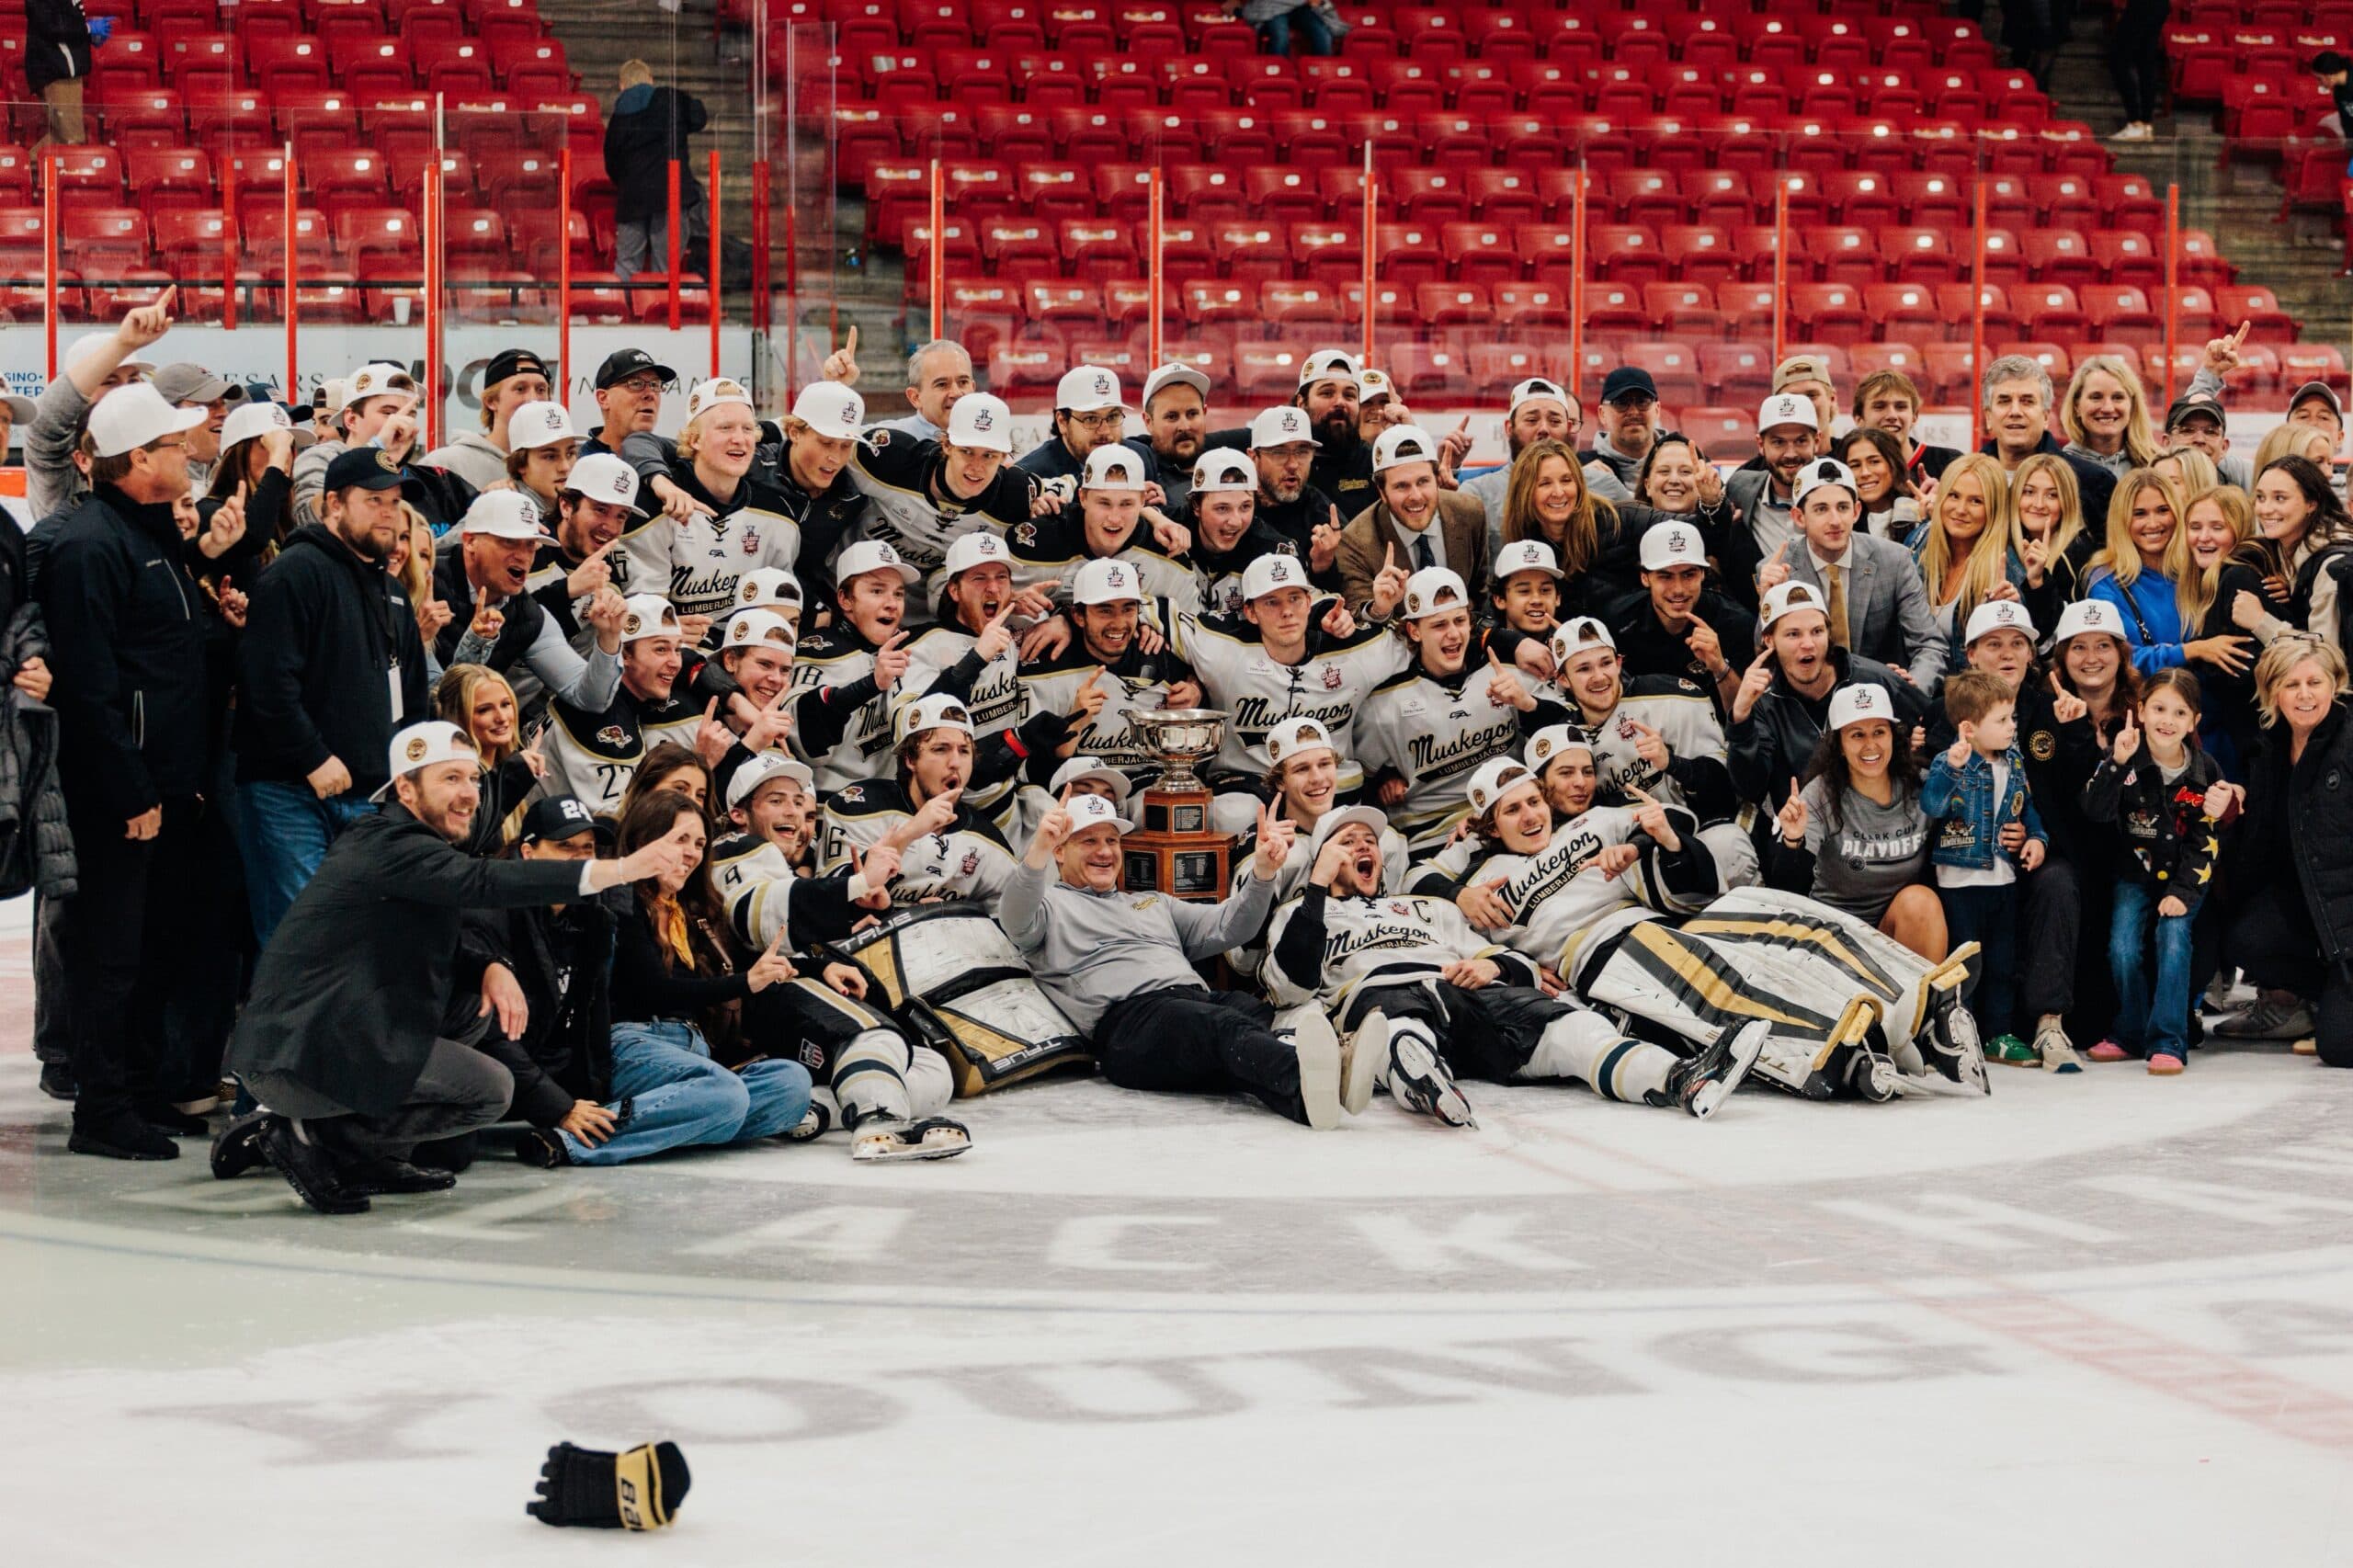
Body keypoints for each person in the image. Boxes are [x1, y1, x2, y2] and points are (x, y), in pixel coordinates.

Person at [217, 722, 699, 1211]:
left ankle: (362, 1152)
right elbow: (486, 879)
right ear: (405, 788)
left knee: (475, 1014)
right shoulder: (390, 846)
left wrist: (487, 965)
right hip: (295, 1060)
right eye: (450, 779)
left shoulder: (404, 844)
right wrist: (619, 870)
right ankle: (307, 1134)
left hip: (328, 1040)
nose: (469, 793)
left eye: (473, 779)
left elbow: (444, 925)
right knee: (490, 1091)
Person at [1270, 787, 1765, 1124]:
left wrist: (1491, 966)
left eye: (1369, 841)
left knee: (1570, 1026)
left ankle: (1679, 1079)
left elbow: (1517, 963)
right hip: (1381, 995)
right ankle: (1425, 1085)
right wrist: (1316, 890)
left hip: (1467, 995)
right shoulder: (1301, 910)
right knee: (1401, 1026)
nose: (1363, 847)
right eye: (1346, 841)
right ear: (1321, 857)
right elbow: (1290, 986)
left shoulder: (1425, 907)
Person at [39, 384, 215, 1159]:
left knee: (154, 948)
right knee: (108, 955)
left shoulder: (151, 537)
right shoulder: (90, 545)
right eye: (175, 445)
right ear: (138, 459)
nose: (189, 452)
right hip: (121, 795)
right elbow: (89, 687)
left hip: (169, 787)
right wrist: (132, 791)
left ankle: (140, 1090)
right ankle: (101, 1110)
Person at [1003, 786, 1352, 1125]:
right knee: (1225, 1028)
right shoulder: (1046, 907)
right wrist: (1038, 852)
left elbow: (1232, 929)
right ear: (1060, 851)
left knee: (1251, 1013)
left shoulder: (1153, 902)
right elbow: (1013, 916)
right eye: (1089, 841)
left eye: (1111, 840)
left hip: (1190, 1008)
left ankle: (1308, 1103)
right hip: (1129, 1026)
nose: (1105, 852)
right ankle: (1324, 1075)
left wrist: (1262, 873)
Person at [233, 443, 433, 944]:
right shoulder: (294, 572)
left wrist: (407, 776)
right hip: (291, 792)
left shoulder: (390, 592)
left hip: (370, 797)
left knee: (358, 946)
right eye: (374, 500)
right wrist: (312, 756)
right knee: (300, 942)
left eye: (394, 502)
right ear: (333, 505)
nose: (388, 514)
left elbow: (411, 701)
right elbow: (266, 681)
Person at [1173, 550, 1410, 832]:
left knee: (1389, 845)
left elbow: (1420, 640)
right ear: (1250, 611)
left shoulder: (1351, 651)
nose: (1286, 612)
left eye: (1295, 599)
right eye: (1271, 602)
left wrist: (1380, 611)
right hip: (1249, 788)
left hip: (1331, 788)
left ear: (1309, 603)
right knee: (1232, 815)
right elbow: (1146, 614)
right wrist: (1191, 681)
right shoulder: (1223, 648)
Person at [445, 795, 616, 1163]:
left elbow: (591, 1016)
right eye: (565, 847)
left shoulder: (593, 918)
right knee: (451, 1152)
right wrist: (557, 1107)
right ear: (528, 852)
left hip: (539, 1065)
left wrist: (596, 1091)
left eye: (588, 849)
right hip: (469, 1062)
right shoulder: (489, 909)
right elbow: (488, 1033)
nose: (581, 859)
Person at [2083, 668, 2232, 1073]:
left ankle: (2169, 1039)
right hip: (2134, 875)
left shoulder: (2206, 772)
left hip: (2186, 879)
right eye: (2160, 708)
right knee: (2124, 947)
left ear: (2194, 722)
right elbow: (2094, 811)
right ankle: (2130, 1029)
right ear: (2142, 710)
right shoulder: (2125, 758)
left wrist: (2183, 895)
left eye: (2179, 712)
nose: (2168, 720)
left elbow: (2206, 843)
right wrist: (2116, 761)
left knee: (2173, 937)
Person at [1542, 615, 1755, 897]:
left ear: (1619, 662)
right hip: (1633, 850)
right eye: (1583, 669)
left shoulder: (1670, 697)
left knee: (1726, 846)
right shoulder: (1564, 735)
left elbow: (1725, 792)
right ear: (1563, 679)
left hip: (1702, 829)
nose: (1599, 677)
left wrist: (1673, 764)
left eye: (1606, 663)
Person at [2222, 638, 2353, 1054]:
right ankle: (2324, 996)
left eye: (2315, 682)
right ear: (2273, 692)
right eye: (2292, 684)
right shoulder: (2270, 748)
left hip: (2348, 916)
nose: (2305, 694)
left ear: (2335, 685)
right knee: (2244, 937)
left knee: (2340, 1049)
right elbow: (2265, 845)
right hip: (2318, 913)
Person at [1355, 567, 1546, 848]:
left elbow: (1560, 737)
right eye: (1439, 625)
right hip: (1431, 838)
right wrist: (1384, 776)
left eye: (1459, 620)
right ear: (1413, 631)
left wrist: (1530, 707)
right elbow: (1363, 777)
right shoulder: (1382, 704)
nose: (1453, 634)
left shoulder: (1507, 673)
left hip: (1507, 819)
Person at [1730, 581, 1932, 827]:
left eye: (1817, 631)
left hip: (1882, 824)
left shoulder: (1872, 677)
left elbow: (1935, 719)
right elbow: (1751, 787)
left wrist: (1914, 753)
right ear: (1769, 640)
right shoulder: (1764, 701)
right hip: (1805, 827)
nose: (1808, 644)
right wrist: (1740, 717)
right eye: (1793, 634)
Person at [1768, 681, 1944, 960]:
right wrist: (1793, 840)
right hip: (1833, 934)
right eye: (1857, 735)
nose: (1870, 745)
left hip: (1895, 932)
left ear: (1893, 737)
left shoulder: (1922, 787)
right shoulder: (1820, 793)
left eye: (1879, 732)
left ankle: (1927, 1001)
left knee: (1921, 902)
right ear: (1838, 744)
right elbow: (1786, 892)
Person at [1923, 670, 2048, 1060]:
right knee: (1964, 965)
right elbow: (1932, 805)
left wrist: (2036, 839)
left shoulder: (2014, 760)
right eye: (2002, 720)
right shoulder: (1952, 761)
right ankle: (1959, 1033)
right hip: (1959, 884)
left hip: (2003, 880)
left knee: (2001, 963)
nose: (2013, 726)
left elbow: (2026, 808)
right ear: (1969, 727)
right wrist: (1949, 770)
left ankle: (1999, 1034)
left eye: (2012, 718)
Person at [613, 379, 803, 619]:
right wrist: (673, 628)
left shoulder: (778, 514)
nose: (739, 438)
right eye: (725, 428)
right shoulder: (653, 507)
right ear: (694, 440)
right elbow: (648, 616)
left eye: (747, 429)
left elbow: (781, 611)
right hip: (674, 650)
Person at [435, 489, 628, 717]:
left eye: (530, 545)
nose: (523, 556)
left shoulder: (528, 613)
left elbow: (589, 698)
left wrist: (609, 638)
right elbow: (434, 701)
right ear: (470, 541)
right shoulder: (424, 583)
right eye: (509, 542)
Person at [1758, 457, 1944, 687]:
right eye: (1821, 509)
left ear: (1856, 511)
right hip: (1808, 697)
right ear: (1799, 517)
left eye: (1843, 507)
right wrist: (1766, 602)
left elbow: (1929, 644)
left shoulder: (1894, 560)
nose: (1835, 520)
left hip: (1882, 696)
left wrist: (1911, 689)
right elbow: (1764, 656)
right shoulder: (1775, 569)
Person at [541, 595, 705, 812]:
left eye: (677, 649)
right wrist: (704, 763)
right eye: (661, 650)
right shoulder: (601, 716)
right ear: (625, 654)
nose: (675, 662)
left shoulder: (619, 699)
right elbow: (621, 822)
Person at [788, 540, 920, 792]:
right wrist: (870, 685)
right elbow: (806, 744)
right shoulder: (819, 650)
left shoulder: (908, 652)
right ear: (845, 599)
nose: (892, 603)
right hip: (828, 808)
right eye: (877, 591)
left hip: (890, 807)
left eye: (898, 593)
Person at [24, 295, 168, 520]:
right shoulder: (59, 456)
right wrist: (123, 345)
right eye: (109, 381)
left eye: (133, 379)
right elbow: (45, 420)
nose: (124, 390)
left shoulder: (151, 445)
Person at [1008, 442, 1198, 610]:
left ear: (1142, 501)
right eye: (1104, 503)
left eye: (1126, 504)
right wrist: (1011, 601)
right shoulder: (1037, 542)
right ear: (1082, 497)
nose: (1115, 519)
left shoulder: (1170, 558)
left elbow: (1188, 633)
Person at [1338, 425, 1490, 623]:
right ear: (1382, 492)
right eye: (1401, 486)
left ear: (1437, 479)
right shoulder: (1356, 541)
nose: (1416, 497)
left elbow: (1480, 594)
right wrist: (1379, 609)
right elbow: (1358, 612)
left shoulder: (1470, 513)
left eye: (1423, 482)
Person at [2180, 483, 2278, 776]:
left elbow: (2243, 670)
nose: (2204, 537)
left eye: (2217, 527)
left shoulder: (2238, 577)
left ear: (2239, 531)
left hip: (2250, 749)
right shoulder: (2207, 581)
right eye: (2195, 526)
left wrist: (2200, 656)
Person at [1609, 520, 1756, 712]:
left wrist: (1720, 668)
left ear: (1703, 574)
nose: (1678, 589)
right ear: (1645, 578)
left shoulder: (1735, 623)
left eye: (1688, 575)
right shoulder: (1618, 622)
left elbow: (1747, 717)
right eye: (1665, 576)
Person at [1912, 451, 2021, 672]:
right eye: (1953, 495)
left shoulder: (2006, 569)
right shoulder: (1921, 539)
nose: (1960, 509)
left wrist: (2006, 613)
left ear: (1994, 509)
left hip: (1968, 694)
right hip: (1915, 681)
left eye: (1976, 501)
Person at [1979, 354, 2120, 522]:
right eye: (2004, 401)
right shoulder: (1966, 479)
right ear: (1988, 417)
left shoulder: (2092, 484)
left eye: (2027, 401)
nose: (2015, 411)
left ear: (2046, 417)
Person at [606, 60, 709, 282]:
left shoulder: (617, 118)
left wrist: (626, 184)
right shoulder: (671, 99)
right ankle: (660, 312)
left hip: (632, 199)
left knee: (626, 265)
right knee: (665, 269)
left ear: (622, 85)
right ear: (651, 80)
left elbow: (611, 163)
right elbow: (700, 118)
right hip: (669, 196)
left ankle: (622, 312)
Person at [1722, 392, 1824, 599]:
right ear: (1760, 445)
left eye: (1801, 441)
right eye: (1778, 443)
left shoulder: (1841, 495)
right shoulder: (1740, 488)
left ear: (1817, 441)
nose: (1790, 453)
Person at [435, 663, 540, 854]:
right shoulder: (452, 781)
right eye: (484, 710)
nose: (501, 717)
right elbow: (467, 844)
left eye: (506, 704)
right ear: (458, 716)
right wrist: (513, 777)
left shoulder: (508, 766)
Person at [2252, 454, 2353, 653]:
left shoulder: (2333, 566)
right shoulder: (2276, 549)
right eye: (2260, 497)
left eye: (2280, 498)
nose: (2265, 509)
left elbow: (2325, 656)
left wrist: (2260, 621)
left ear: (2311, 504)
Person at [425, 349, 554, 492]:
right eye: (520, 389)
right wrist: (479, 506)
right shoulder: (447, 464)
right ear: (491, 401)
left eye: (541, 390)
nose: (533, 399)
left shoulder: (559, 466)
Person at [2012, 450, 2097, 629]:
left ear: (2067, 502)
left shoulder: (2079, 555)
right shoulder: (2005, 546)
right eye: (2028, 492)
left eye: (2052, 495)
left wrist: (2039, 584)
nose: (2039, 504)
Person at [1016, 366, 1135, 483]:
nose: (1105, 431)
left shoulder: (1140, 458)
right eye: (1091, 419)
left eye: (1112, 417)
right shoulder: (1031, 477)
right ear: (1062, 422)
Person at [1852, 367, 1962, 483]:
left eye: (1900, 407)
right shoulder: (1845, 468)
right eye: (1880, 407)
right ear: (1859, 419)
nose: (1892, 415)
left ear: (1914, 416)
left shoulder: (1950, 463)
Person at [2060, 355, 2161, 475]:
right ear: (2077, 406)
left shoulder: (2156, 465)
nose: (2108, 408)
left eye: (2118, 397)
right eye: (2096, 397)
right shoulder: (2061, 467)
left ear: (2132, 405)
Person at [25, 0, 95, 153]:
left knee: (61, 138)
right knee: (71, 139)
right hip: (58, 72)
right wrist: (88, 29)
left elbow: (68, 22)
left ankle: (22, 171)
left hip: (66, 71)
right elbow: (52, 27)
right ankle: (20, 170)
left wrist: (89, 37)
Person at [1584, 366, 1661, 501]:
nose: (1633, 412)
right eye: (1621, 403)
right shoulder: (1580, 467)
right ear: (1602, 414)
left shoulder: (1687, 462)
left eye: (1642, 402)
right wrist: (1576, 481)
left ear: (1657, 410)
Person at [1838, 426, 1923, 543]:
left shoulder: (1919, 514)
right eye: (1855, 465)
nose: (1865, 473)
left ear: (1894, 464)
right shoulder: (1839, 522)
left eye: (1874, 462)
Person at [2108, 0, 2170, 141]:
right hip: (2158, 6)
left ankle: (2135, 121)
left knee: (2117, 60)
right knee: (2146, 62)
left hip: (2143, 6)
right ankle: (2145, 124)